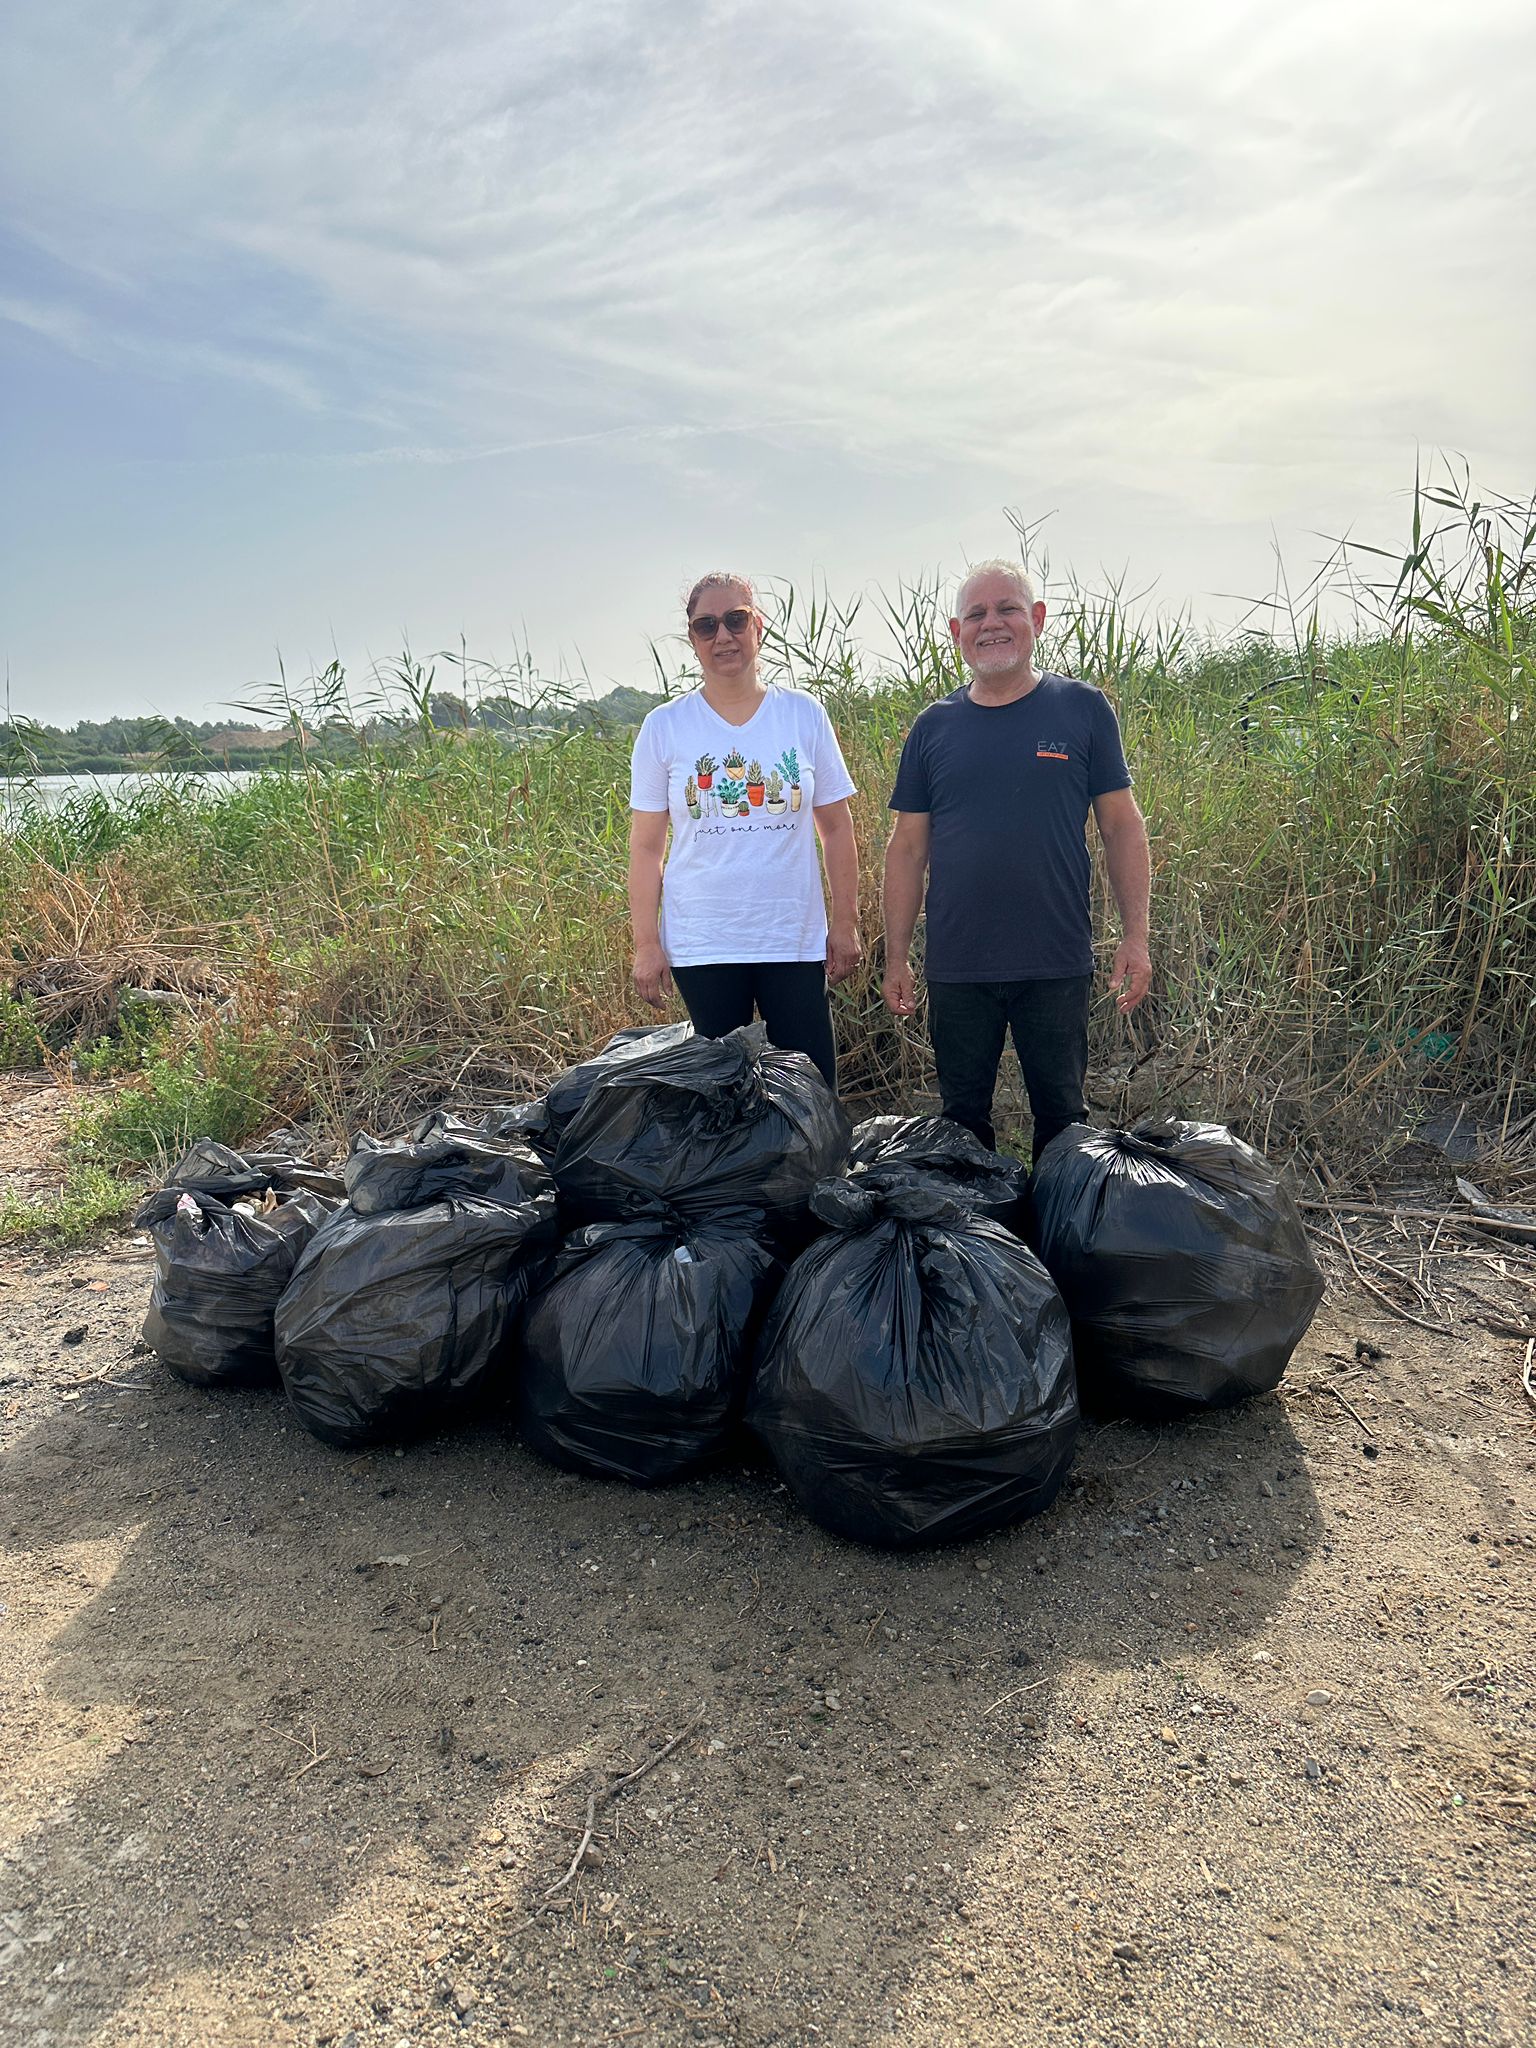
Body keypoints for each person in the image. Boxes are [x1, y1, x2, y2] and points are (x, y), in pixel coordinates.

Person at [881, 559, 1151, 1162]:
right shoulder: (933, 728)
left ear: (1036, 619)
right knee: (960, 1124)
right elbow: (907, 848)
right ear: (956, 633)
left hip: (1054, 960)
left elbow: (1122, 827)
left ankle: (1061, 1242)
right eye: (976, 614)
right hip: (959, 965)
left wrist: (1136, 937)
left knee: (1063, 1120)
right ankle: (975, 1250)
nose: (992, 624)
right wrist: (896, 956)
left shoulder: (1082, 709)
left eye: (1006, 609)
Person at [628, 571, 862, 1089]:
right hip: (703, 941)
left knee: (811, 1087)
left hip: (792, 938)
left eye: (736, 620)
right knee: (723, 1096)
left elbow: (837, 830)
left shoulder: (803, 715)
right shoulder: (664, 727)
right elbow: (646, 850)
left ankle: (810, 1174)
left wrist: (844, 923)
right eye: (706, 626)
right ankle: (739, 1176)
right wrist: (647, 943)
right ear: (692, 640)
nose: (723, 636)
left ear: (759, 626)